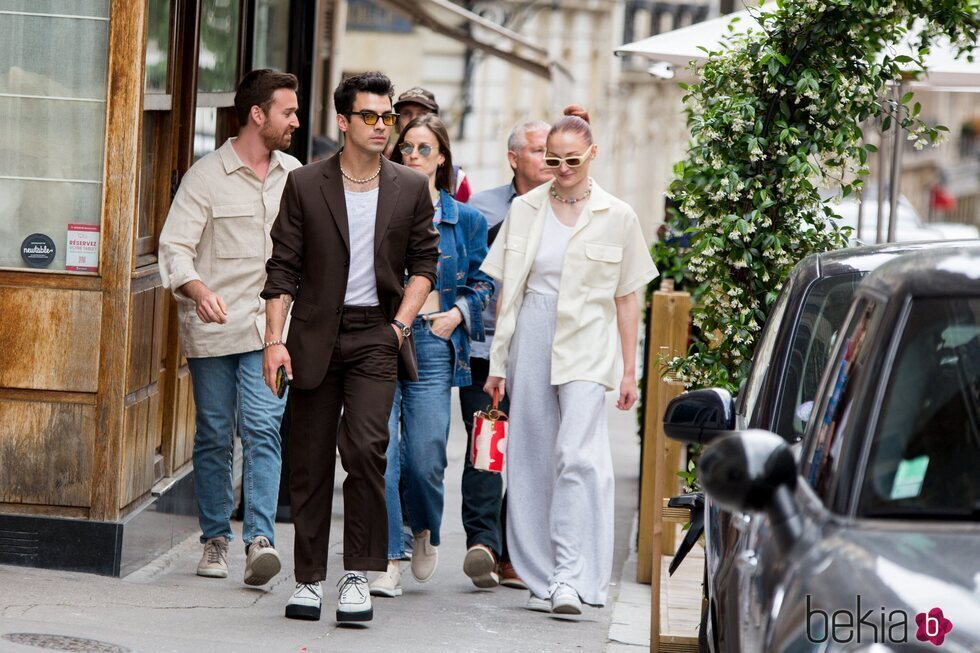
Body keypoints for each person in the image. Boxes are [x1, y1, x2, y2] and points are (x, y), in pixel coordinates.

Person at [261, 71, 439, 624]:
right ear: (343, 121)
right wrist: (274, 340)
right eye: (371, 116)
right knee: (310, 461)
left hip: (376, 337)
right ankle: (310, 578)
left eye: (388, 117)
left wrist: (400, 326)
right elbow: (282, 269)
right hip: (313, 335)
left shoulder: (408, 187)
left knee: (365, 451)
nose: (383, 126)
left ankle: (360, 573)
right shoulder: (306, 184)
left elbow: (425, 264)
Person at [481, 106, 658, 615]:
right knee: (532, 457)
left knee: (576, 457)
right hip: (531, 333)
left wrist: (630, 370)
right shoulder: (526, 209)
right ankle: (541, 574)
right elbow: (506, 295)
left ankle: (569, 574)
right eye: (553, 159)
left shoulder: (618, 215)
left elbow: (628, 298)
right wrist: (497, 365)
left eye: (572, 160)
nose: (561, 169)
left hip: (588, 338)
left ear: (593, 155)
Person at [157, 69, 301, 587]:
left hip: (272, 334)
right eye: (288, 111)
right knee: (217, 434)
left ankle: (259, 538)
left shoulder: (296, 175)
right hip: (213, 332)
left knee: (263, 429)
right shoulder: (205, 177)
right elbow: (173, 248)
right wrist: (198, 290)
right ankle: (215, 537)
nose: (296, 121)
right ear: (258, 115)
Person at [367, 115, 494, 598]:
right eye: (407, 149)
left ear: (442, 157)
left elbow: (483, 282)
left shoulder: (467, 220)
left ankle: (423, 527)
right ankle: (391, 555)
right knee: (383, 452)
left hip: (433, 342)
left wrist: (457, 314)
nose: (414, 156)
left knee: (424, 457)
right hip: (381, 338)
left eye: (424, 149)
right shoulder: (380, 209)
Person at [460, 119, 552, 590]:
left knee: (530, 452)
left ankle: (513, 552)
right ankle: (484, 545)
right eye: (538, 150)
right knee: (487, 447)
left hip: (540, 351)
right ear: (514, 157)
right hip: (482, 349)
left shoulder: (568, 209)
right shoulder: (481, 209)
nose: (548, 159)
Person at [390, 87, 473, 202]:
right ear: (397, 124)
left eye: (422, 114)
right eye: (406, 113)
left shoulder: (456, 178)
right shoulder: (382, 170)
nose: (414, 119)